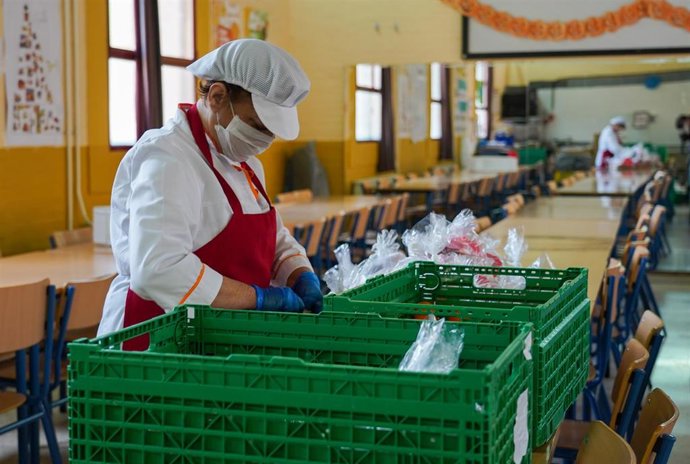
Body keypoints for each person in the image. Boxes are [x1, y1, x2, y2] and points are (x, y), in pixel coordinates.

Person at [98, 39, 323, 349]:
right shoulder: (167, 158)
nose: (264, 140)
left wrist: (298, 273)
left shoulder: (246, 165)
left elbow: (273, 239)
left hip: (213, 339)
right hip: (156, 342)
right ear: (218, 97)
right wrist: (257, 298)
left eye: (270, 132)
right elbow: (158, 269)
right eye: (257, 125)